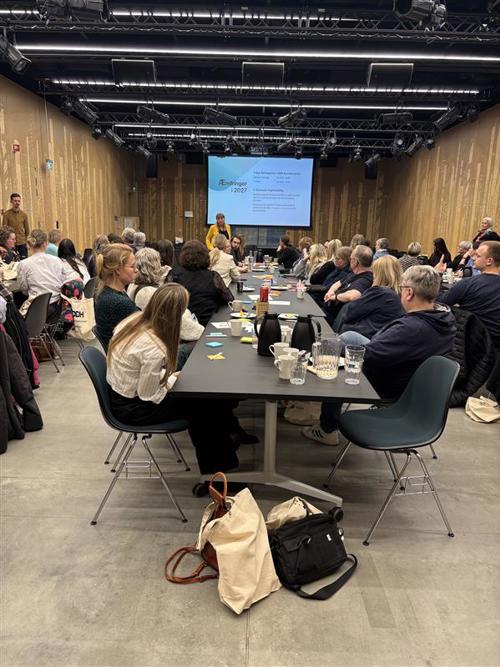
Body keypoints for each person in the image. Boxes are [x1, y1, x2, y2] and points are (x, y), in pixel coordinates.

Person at [304, 265, 456, 445]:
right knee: (349, 337)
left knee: (336, 359)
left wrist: (328, 348)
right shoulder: (444, 317)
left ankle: (327, 428)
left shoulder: (411, 328)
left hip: (389, 382)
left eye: (401, 288)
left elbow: (369, 355)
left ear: (409, 293)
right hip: (409, 374)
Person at [106, 283, 239, 474]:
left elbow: (141, 374)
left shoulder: (133, 320)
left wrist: (172, 379)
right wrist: (174, 381)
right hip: (134, 408)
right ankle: (219, 472)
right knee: (204, 405)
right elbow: (148, 394)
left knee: (205, 398)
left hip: (124, 392)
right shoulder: (154, 347)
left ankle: (225, 448)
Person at [127, 247, 204, 342]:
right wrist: (201, 332)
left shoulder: (134, 286)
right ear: (154, 266)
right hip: (164, 340)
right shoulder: (147, 292)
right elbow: (174, 320)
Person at [437, 241, 500, 349]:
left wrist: (438, 275)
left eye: (477, 256)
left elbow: (439, 302)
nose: (473, 258)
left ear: (489, 261)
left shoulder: (468, 284)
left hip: (469, 347)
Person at [341, 254, 404, 338]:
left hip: (367, 338)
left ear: (378, 274)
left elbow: (349, 313)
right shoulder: (401, 294)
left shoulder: (380, 292)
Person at [171, 240, 233, 326]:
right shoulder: (213, 276)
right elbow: (229, 298)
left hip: (185, 324)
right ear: (205, 256)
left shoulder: (176, 277)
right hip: (209, 324)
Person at [17, 229, 72, 321]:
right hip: (58, 307)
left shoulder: (23, 264)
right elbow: (63, 281)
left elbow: (23, 289)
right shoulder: (57, 260)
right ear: (45, 244)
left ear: (29, 245)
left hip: (37, 309)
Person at [94, 243, 139, 349]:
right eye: (132, 266)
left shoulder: (106, 293)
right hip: (124, 356)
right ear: (118, 269)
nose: (136, 270)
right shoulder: (118, 302)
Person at [323, 244, 374, 326]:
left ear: (356, 262)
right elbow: (338, 283)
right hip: (327, 312)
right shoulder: (354, 273)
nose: (350, 261)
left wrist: (335, 297)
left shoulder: (364, 280)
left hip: (333, 320)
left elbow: (354, 296)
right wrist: (330, 292)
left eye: (351, 258)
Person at [1, 193, 29, 259]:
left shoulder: (24, 215)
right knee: (11, 260)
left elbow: (27, 230)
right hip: (10, 243)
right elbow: (4, 230)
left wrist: (25, 241)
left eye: (19, 201)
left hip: (22, 242)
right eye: (15, 201)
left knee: (23, 260)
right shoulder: (6, 214)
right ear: (11, 201)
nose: (17, 203)